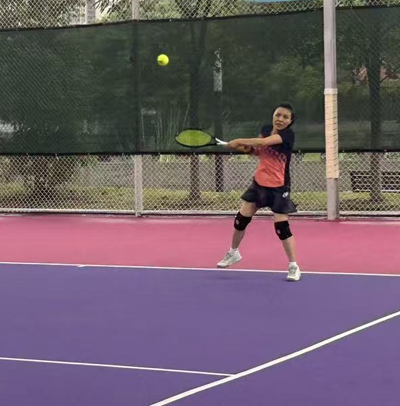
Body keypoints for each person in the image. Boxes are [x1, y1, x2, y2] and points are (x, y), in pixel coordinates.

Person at [217, 102, 301, 281]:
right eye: (278, 115)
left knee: (282, 228)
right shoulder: (266, 129)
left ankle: (294, 266)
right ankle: (233, 252)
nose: (280, 119)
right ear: (273, 115)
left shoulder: (287, 135)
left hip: (279, 186)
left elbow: (263, 142)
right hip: (259, 184)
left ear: (290, 121)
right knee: (240, 220)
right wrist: (241, 148)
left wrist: (239, 140)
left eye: (285, 117)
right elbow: (257, 150)